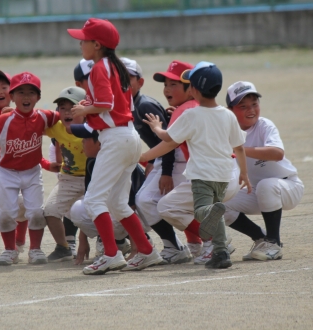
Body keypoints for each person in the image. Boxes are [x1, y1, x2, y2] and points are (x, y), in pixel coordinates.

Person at [68, 18, 162, 275]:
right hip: (128, 136)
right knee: (118, 203)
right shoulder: (116, 66)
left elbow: (106, 104)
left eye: (84, 40)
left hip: (116, 138)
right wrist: (90, 106)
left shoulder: (100, 67)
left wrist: (85, 108)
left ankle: (111, 254)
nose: (80, 43)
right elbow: (118, 104)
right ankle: (146, 250)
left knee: (94, 200)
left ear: (96, 44)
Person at [140, 61, 251, 269]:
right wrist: (244, 173)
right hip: (229, 177)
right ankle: (220, 253)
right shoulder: (227, 114)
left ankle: (212, 235)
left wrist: (156, 128)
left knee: (185, 209)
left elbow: (168, 139)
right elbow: (239, 147)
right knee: (214, 213)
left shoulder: (190, 114)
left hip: (204, 178)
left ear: (193, 89)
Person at [122, 57, 192, 265]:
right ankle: (175, 245)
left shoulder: (144, 106)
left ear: (139, 82)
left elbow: (168, 142)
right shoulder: (131, 104)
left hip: (173, 160)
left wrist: (166, 172)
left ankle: (202, 242)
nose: (122, 84)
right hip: (162, 159)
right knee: (147, 200)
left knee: (156, 202)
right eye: (117, 80)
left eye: (127, 79)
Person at [224, 81, 304, 261]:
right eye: (242, 106)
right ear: (230, 111)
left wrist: (239, 150)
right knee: (220, 202)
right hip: (257, 190)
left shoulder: (264, 125)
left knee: (267, 186)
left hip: (288, 187)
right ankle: (261, 239)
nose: (250, 110)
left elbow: (277, 153)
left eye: (254, 104)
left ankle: (274, 243)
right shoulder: (227, 131)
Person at [0, 72, 59, 266]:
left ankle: (35, 249)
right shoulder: (4, 121)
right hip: (7, 173)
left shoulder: (44, 117)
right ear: (12, 97)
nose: (26, 97)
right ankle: (10, 250)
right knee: (4, 214)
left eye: (31, 92)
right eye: (20, 92)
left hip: (32, 171)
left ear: (38, 97)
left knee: (36, 212)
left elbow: (65, 119)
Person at [68, 123, 148, 265]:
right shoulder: (92, 162)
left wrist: (136, 250)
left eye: (85, 139)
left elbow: (132, 204)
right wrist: (82, 241)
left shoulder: (118, 159)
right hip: (117, 216)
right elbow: (90, 201)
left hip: (141, 216)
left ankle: (138, 245)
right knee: (81, 207)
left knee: (117, 204)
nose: (82, 143)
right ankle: (117, 244)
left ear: (100, 143)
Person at [0, 69, 29, 263]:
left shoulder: (21, 112)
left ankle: (19, 241)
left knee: (25, 204)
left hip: (14, 167)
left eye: (4, 87)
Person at [43, 86, 88, 262]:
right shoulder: (57, 127)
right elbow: (31, 124)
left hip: (93, 178)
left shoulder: (93, 128)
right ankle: (63, 247)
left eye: (72, 108)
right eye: (62, 108)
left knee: (97, 211)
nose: (67, 112)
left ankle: (115, 242)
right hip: (68, 178)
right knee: (50, 211)